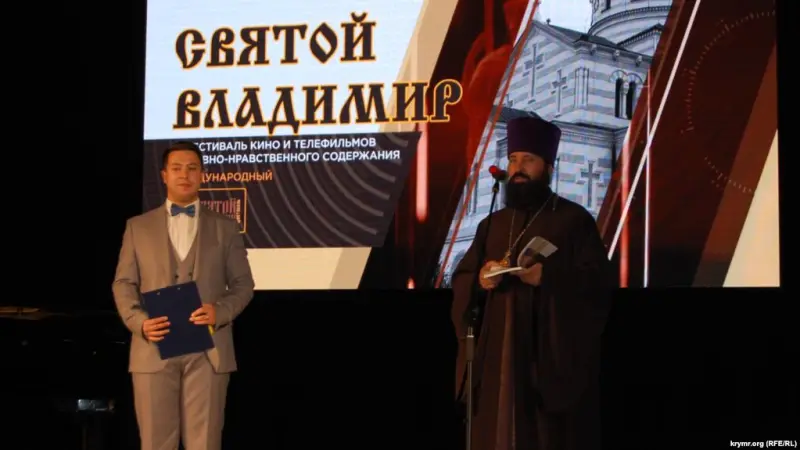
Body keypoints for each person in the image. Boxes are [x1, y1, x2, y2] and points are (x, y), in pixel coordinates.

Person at [451, 115, 614, 450]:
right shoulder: (492, 224)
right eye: (513, 159)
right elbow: (463, 278)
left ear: (548, 168)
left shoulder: (573, 220)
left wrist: (547, 277)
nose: (518, 168)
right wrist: (481, 279)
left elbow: (598, 284)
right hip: (496, 351)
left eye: (528, 160)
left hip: (547, 358)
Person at [112, 141, 255, 450]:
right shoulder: (138, 227)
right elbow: (123, 283)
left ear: (202, 174)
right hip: (153, 348)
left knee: (205, 443)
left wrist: (220, 312)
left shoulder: (226, 227)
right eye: (177, 168)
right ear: (164, 175)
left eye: (192, 168)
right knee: (155, 443)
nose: (184, 175)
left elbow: (244, 284)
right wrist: (139, 322)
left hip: (208, 351)